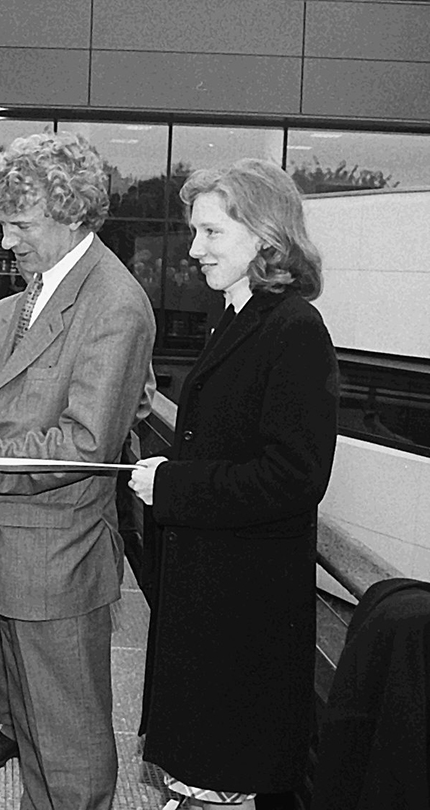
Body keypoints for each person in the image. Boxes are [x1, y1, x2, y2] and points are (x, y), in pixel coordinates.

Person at [0, 132, 155, 810]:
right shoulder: (13, 310)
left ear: (72, 213)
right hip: (4, 545)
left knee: (70, 752)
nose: (5, 242)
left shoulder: (114, 304)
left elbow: (84, 444)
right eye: (2, 222)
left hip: (57, 561)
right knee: (31, 731)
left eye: (20, 225)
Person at [129, 159, 338, 810]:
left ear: (265, 238)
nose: (194, 250)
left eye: (212, 233)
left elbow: (296, 476)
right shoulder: (240, 315)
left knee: (221, 775)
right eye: (196, 232)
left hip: (243, 612)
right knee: (203, 774)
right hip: (214, 592)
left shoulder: (294, 329)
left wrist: (175, 487)